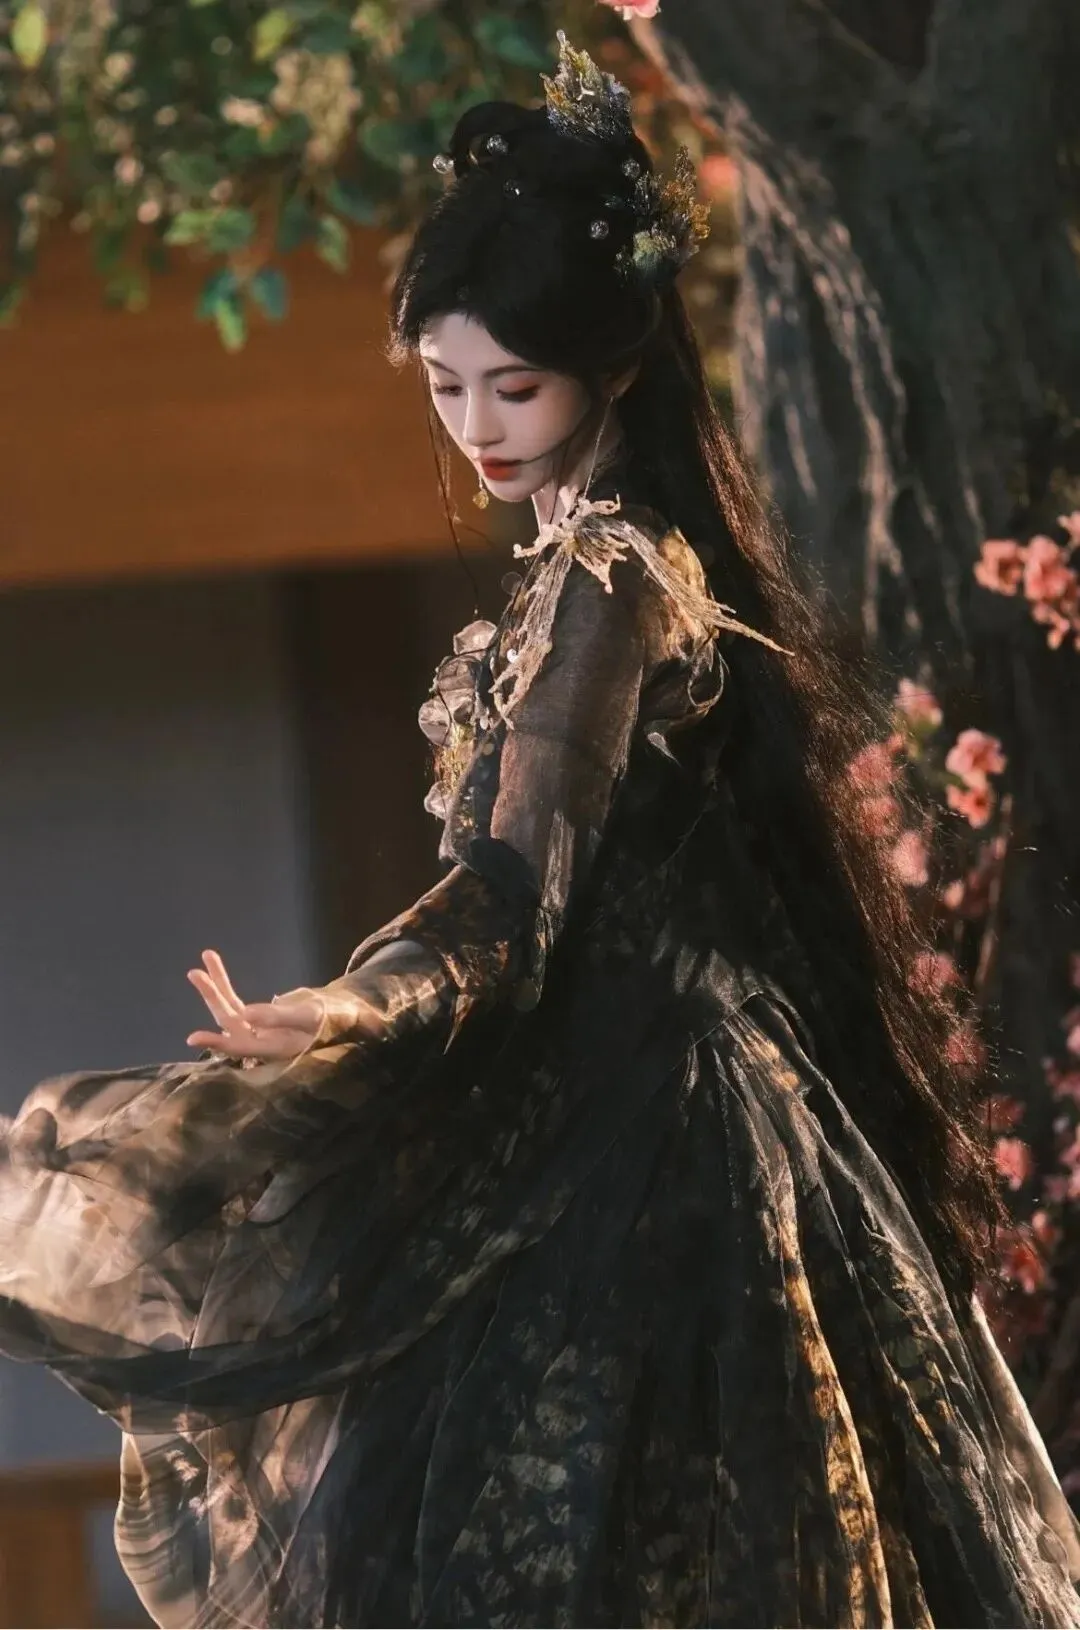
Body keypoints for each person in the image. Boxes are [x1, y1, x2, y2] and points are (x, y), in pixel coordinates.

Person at [1, 32, 1079, 1630]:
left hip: (657, 1139)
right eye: (447, 387)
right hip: (614, 1097)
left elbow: (514, 887)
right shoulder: (596, 560)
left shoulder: (614, 576)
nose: (479, 427)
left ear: (616, 367)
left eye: (514, 386)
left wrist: (356, 1009)